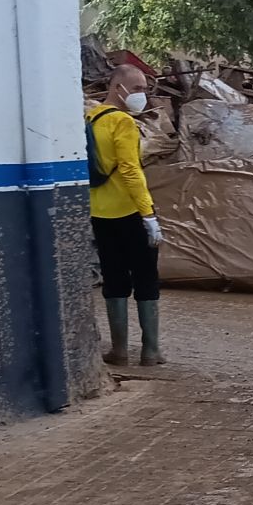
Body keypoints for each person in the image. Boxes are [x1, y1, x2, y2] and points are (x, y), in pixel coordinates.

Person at [86, 65, 165, 367]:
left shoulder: (90, 118)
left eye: (144, 88)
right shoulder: (123, 122)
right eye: (137, 88)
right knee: (146, 277)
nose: (142, 95)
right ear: (117, 88)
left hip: (101, 214)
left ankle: (119, 350)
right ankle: (151, 350)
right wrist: (149, 215)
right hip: (131, 212)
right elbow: (131, 171)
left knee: (114, 277)